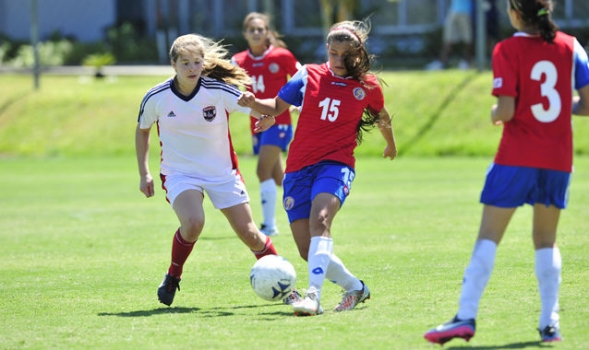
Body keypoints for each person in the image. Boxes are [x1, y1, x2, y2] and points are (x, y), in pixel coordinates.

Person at [424, 0, 589, 345]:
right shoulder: (572, 46)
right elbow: (586, 104)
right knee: (546, 241)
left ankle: (465, 316)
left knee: (488, 237)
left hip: (516, 158)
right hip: (557, 160)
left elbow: (509, 110)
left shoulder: (506, 48)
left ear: (515, 13)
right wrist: (559, 106)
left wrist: (495, 112)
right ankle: (550, 325)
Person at [238, 20, 398, 316]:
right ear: (326, 49)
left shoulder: (366, 86)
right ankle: (355, 287)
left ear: (358, 54)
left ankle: (313, 296)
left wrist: (391, 143)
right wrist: (253, 103)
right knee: (306, 249)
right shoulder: (308, 75)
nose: (338, 60)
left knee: (321, 220)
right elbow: (276, 106)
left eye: (345, 55)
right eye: (333, 53)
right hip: (298, 168)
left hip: (336, 165)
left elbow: (381, 114)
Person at [135, 33, 301, 307]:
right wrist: (144, 172)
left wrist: (266, 119)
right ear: (173, 64)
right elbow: (142, 131)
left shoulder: (218, 90)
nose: (191, 68)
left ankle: (287, 288)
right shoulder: (157, 97)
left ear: (203, 63)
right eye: (185, 63)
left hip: (222, 172)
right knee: (193, 223)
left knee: (249, 233)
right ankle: (173, 274)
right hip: (180, 172)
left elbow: (258, 109)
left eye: (197, 62)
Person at [231, 12, 301, 237]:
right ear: (245, 33)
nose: (256, 33)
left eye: (260, 29)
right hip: (257, 124)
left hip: (279, 123)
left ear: (267, 32)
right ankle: (306, 203)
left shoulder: (281, 56)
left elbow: (303, 81)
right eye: (252, 30)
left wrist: (295, 105)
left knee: (262, 170)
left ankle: (269, 225)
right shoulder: (239, 60)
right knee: (279, 177)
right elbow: (228, 88)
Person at [426, 0, 474, 70]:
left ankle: (466, 62)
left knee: (468, 39)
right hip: (453, 11)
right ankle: (441, 63)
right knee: (449, 39)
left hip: (466, 12)